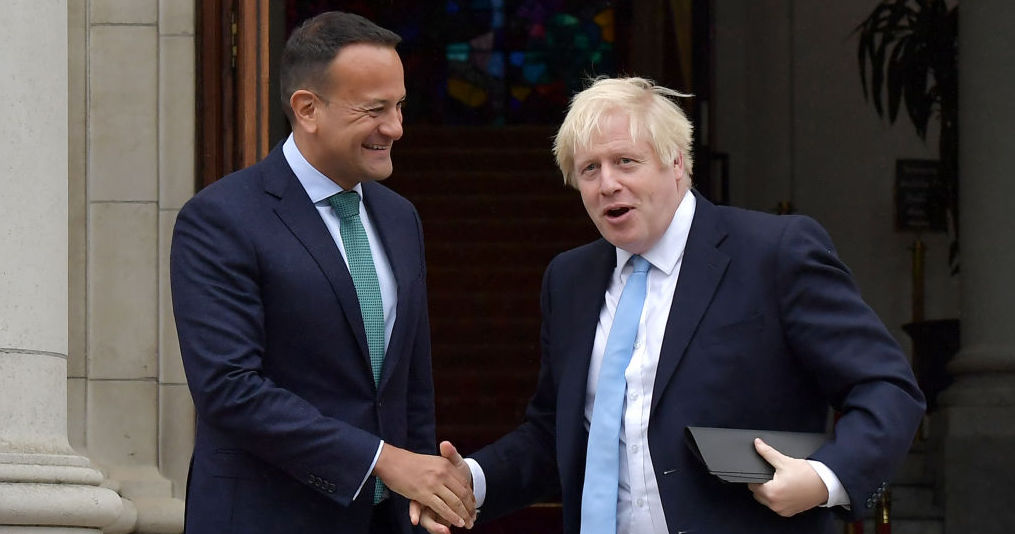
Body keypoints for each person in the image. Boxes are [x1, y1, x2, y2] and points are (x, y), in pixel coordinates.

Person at [412, 77, 925, 534]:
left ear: (677, 163)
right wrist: (469, 482)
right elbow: (558, 434)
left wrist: (823, 477)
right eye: (589, 169)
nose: (607, 182)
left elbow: (886, 388)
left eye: (625, 162)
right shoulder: (569, 279)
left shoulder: (774, 253)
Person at [171, 11, 474, 534]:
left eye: (400, 106)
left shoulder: (401, 219)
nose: (396, 128)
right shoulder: (221, 218)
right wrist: (384, 461)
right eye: (375, 109)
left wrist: (428, 495)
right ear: (307, 109)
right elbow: (229, 389)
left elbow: (410, 389)